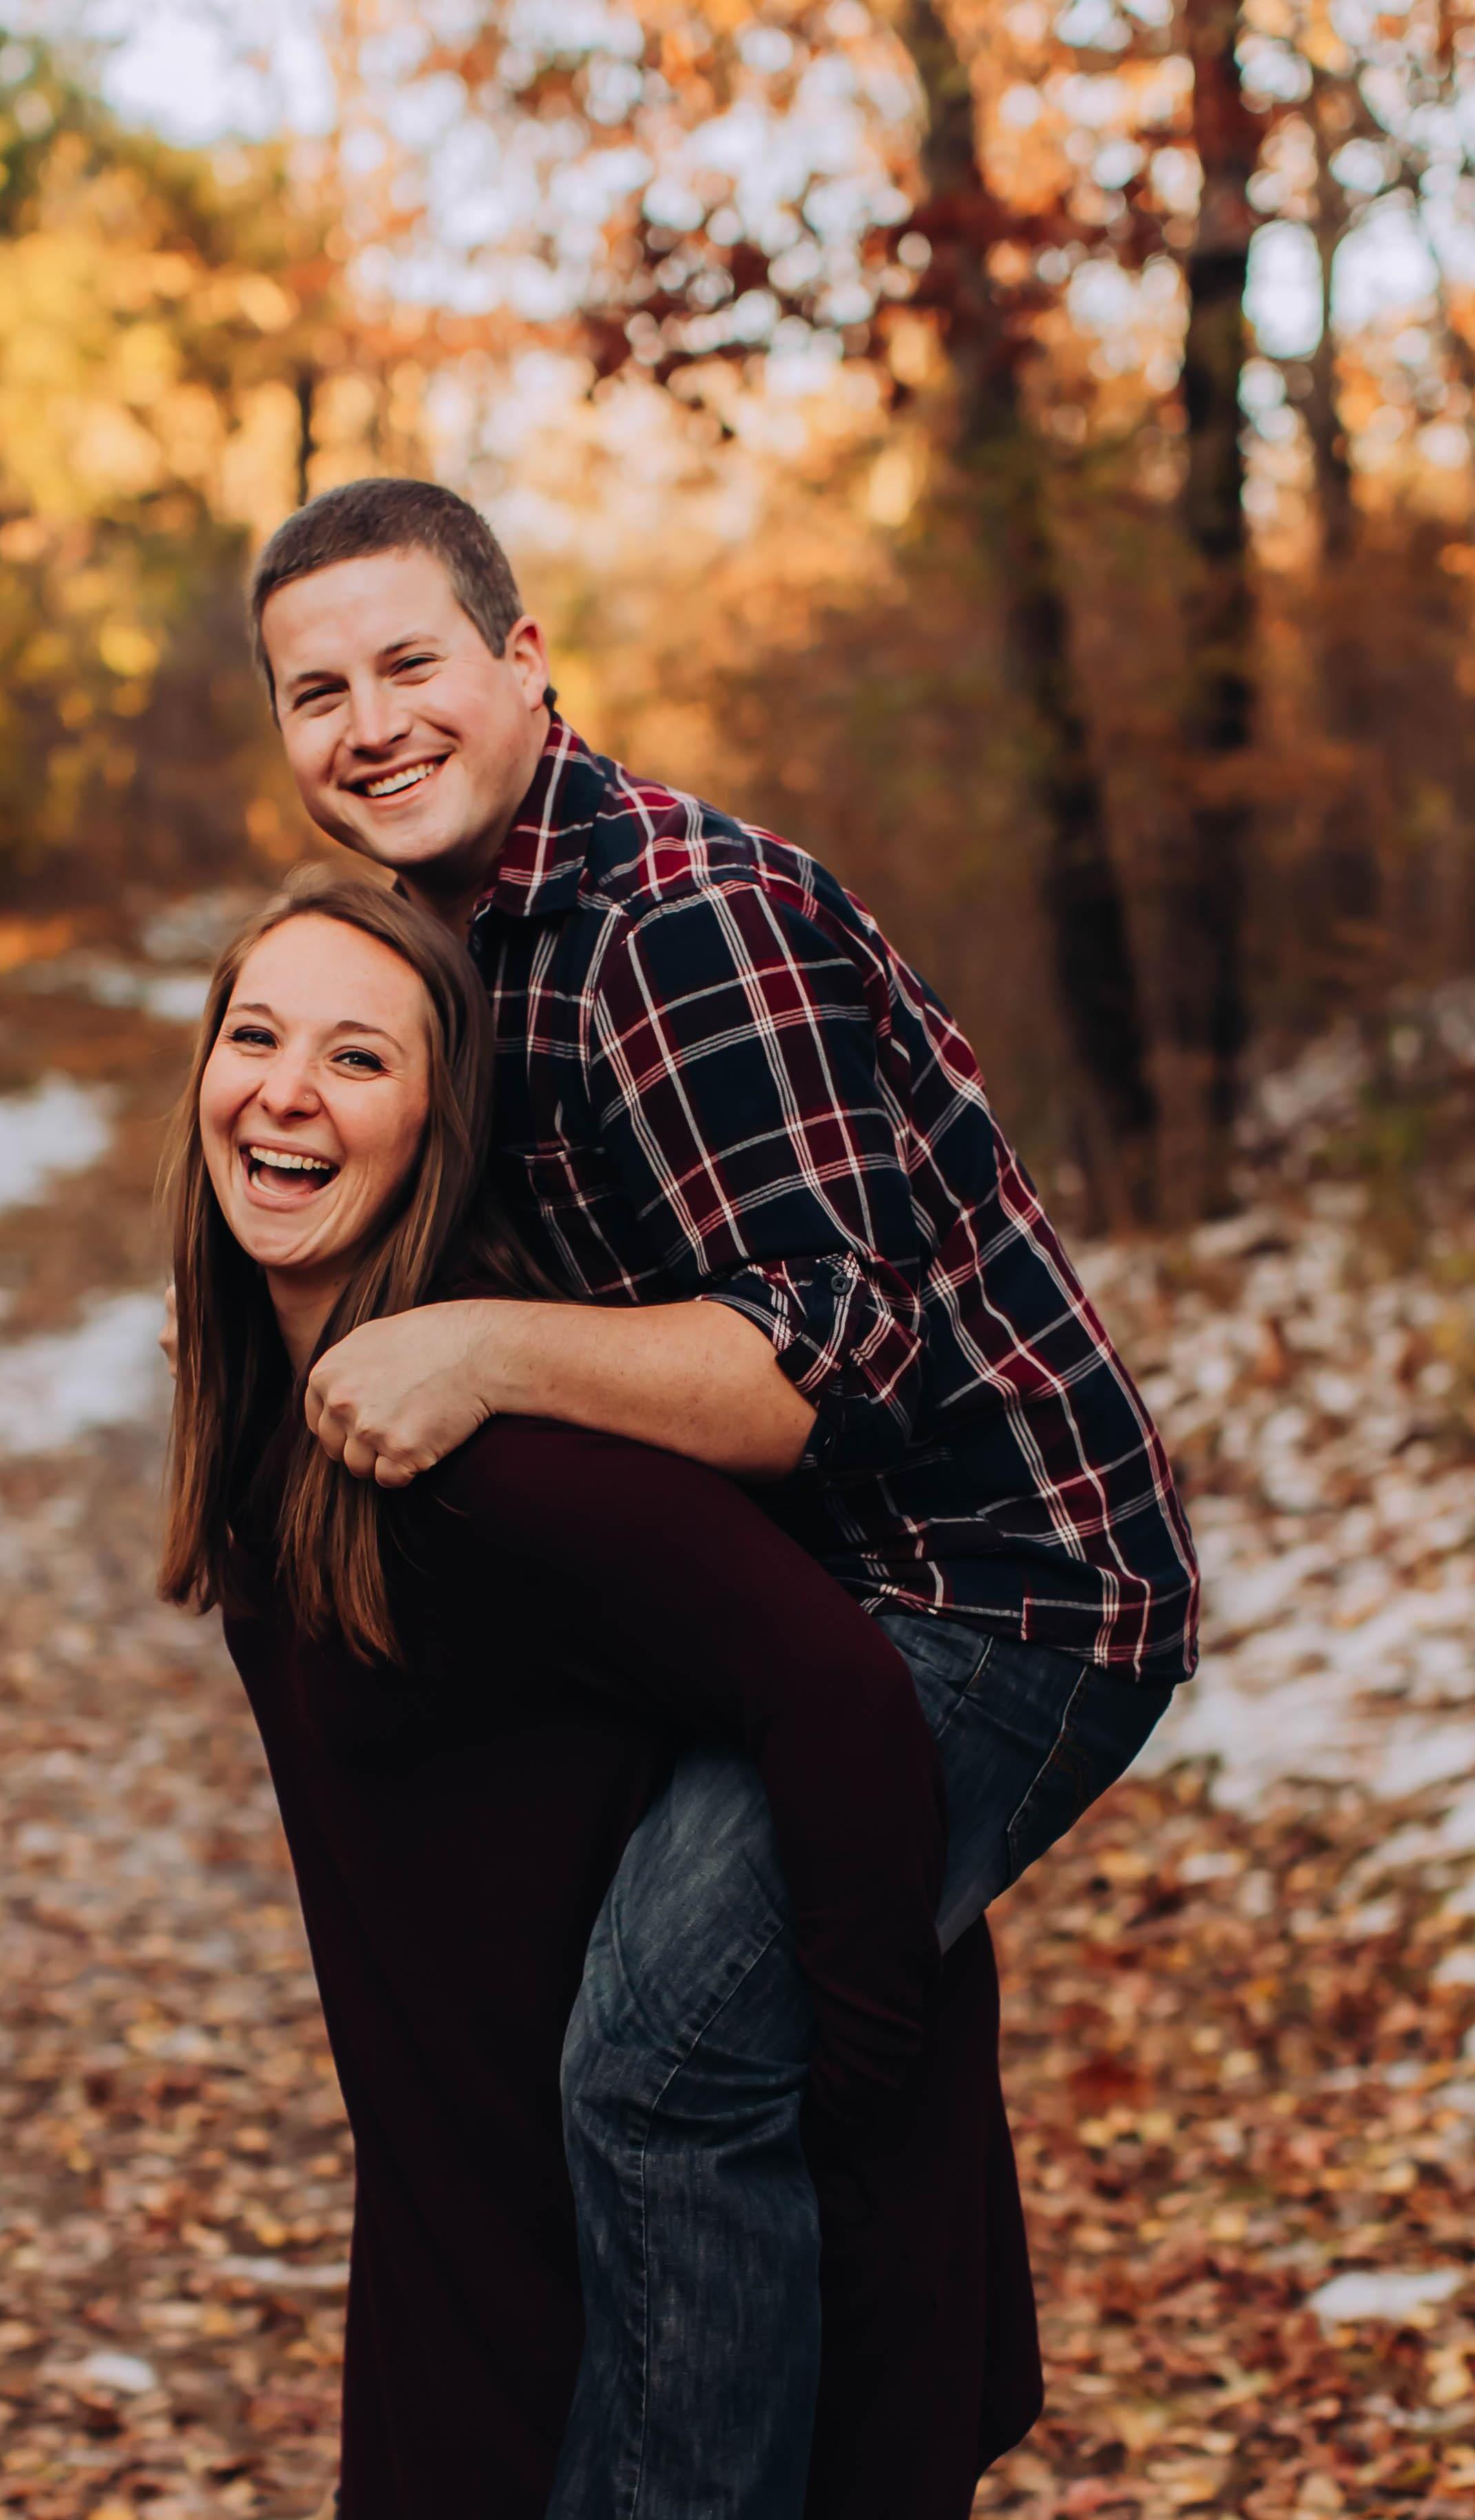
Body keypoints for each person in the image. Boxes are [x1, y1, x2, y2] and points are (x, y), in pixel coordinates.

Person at [213, 477, 1203, 2520]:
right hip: (801, 1598)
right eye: (318, 692)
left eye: (411, 664)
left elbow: (823, 1352)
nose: (370, 725)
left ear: (525, 662)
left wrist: (482, 1346)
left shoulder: (671, 920)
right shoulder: (468, 935)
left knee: (665, 2059)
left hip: (1001, 1589)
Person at [160, 872, 1041, 2519]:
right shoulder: (292, 1440)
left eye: (359, 1059)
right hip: (470, 2254)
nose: (285, 1091)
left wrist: (845, 2107)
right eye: (255, 1036)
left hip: (678, 2293)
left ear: (439, 1132)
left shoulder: (494, 1463)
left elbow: (839, 1695)